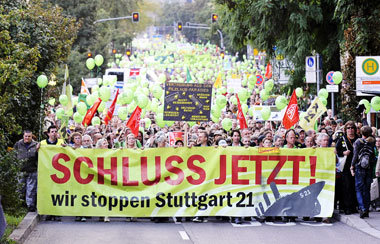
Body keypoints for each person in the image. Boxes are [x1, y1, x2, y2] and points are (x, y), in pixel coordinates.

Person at [351, 126, 376, 218]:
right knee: (367, 189)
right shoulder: (372, 141)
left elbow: (355, 155)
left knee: (359, 189)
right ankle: (367, 208)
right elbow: (373, 155)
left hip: (359, 167)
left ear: (361, 133)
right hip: (369, 167)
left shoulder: (358, 142)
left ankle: (362, 208)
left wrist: (352, 165)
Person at [335, 121, 358, 215]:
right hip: (345, 167)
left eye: (352, 127)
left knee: (354, 187)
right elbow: (336, 151)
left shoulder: (358, 139)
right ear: (345, 129)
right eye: (348, 128)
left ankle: (354, 206)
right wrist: (343, 153)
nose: (350, 130)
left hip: (356, 166)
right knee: (346, 187)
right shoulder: (342, 139)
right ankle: (347, 207)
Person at [13, 130, 38, 212]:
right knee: (19, 188)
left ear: (31, 137)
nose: (27, 138)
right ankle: (17, 206)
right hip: (21, 170)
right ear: (23, 136)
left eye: (29, 136)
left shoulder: (36, 145)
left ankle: (30, 205)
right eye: (26, 136)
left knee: (31, 189)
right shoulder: (18, 144)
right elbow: (14, 155)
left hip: (32, 170)